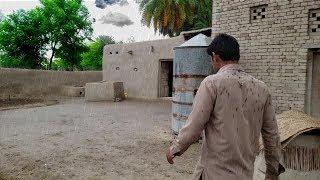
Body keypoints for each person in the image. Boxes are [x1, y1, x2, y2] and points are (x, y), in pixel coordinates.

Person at [166, 34, 284, 180]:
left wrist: (176, 148)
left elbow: (195, 125)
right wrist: (272, 172)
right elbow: (272, 135)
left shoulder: (212, 83)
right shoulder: (262, 88)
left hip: (214, 173)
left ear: (215, 57)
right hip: (245, 174)